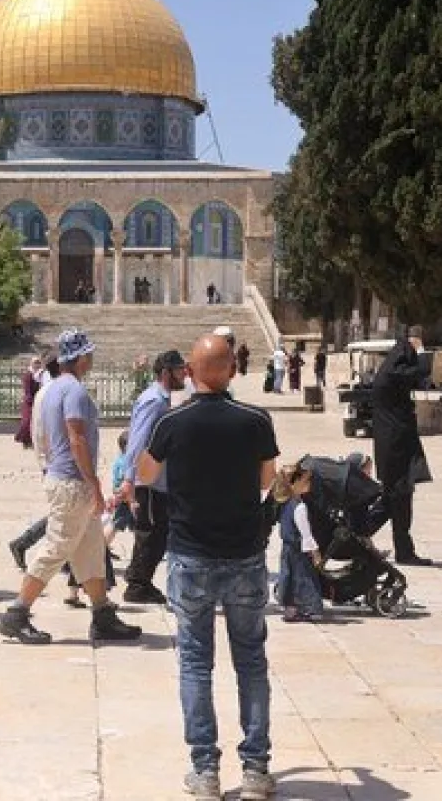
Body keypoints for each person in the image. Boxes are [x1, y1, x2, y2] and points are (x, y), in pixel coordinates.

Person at [137, 333, 278, 801]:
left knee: (196, 663)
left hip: (191, 555)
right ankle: (256, 771)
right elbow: (267, 481)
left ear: (190, 374)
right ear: (233, 371)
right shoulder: (256, 421)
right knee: (251, 661)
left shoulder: (173, 421)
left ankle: (205, 771)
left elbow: (145, 474)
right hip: (244, 554)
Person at [0, 329, 141, 645]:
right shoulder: (73, 391)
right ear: (82, 358)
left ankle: (102, 614)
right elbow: (77, 438)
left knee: (90, 550)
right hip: (74, 483)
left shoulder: (52, 389)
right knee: (57, 547)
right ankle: (16, 614)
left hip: (64, 478)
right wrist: (94, 484)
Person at [119, 349, 188, 604]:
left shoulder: (161, 399)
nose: (184, 373)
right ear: (166, 372)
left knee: (157, 531)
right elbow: (138, 439)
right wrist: (130, 478)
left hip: (157, 479)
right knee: (150, 532)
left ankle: (139, 579)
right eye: (180, 369)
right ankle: (137, 584)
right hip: (147, 480)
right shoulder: (154, 401)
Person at [371, 329, 432, 565]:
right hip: (397, 449)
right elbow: (418, 373)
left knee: (391, 503)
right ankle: (402, 551)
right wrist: (422, 353)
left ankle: (355, 536)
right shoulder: (394, 374)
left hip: (393, 448)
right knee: (397, 501)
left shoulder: (388, 372)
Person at [7, 354, 61, 570]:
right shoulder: (52, 392)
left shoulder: (52, 390)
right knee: (66, 515)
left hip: (55, 462)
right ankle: (25, 545)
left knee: (69, 516)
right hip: (59, 463)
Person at [272, 464, 323, 623]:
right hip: (298, 551)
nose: (309, 484)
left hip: (287, 550)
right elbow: (305, 533)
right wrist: (315, 552)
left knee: (288, 578)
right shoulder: (300, 507)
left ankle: (290, 610)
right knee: (304, 578)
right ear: (295, 483)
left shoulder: (284, 504)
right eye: (306, 481)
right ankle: (310, 609)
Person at [15, 355, 40, 449]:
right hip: (29, 401)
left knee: (35, 422)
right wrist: (31, 400)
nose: (37, 364)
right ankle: (24, 440)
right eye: (35, 362)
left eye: (38, 362)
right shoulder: (28, 375)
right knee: (26, 421)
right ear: (31, 364)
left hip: (37, 400)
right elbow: (27, 389)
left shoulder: (39, 375)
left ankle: (30, 441)